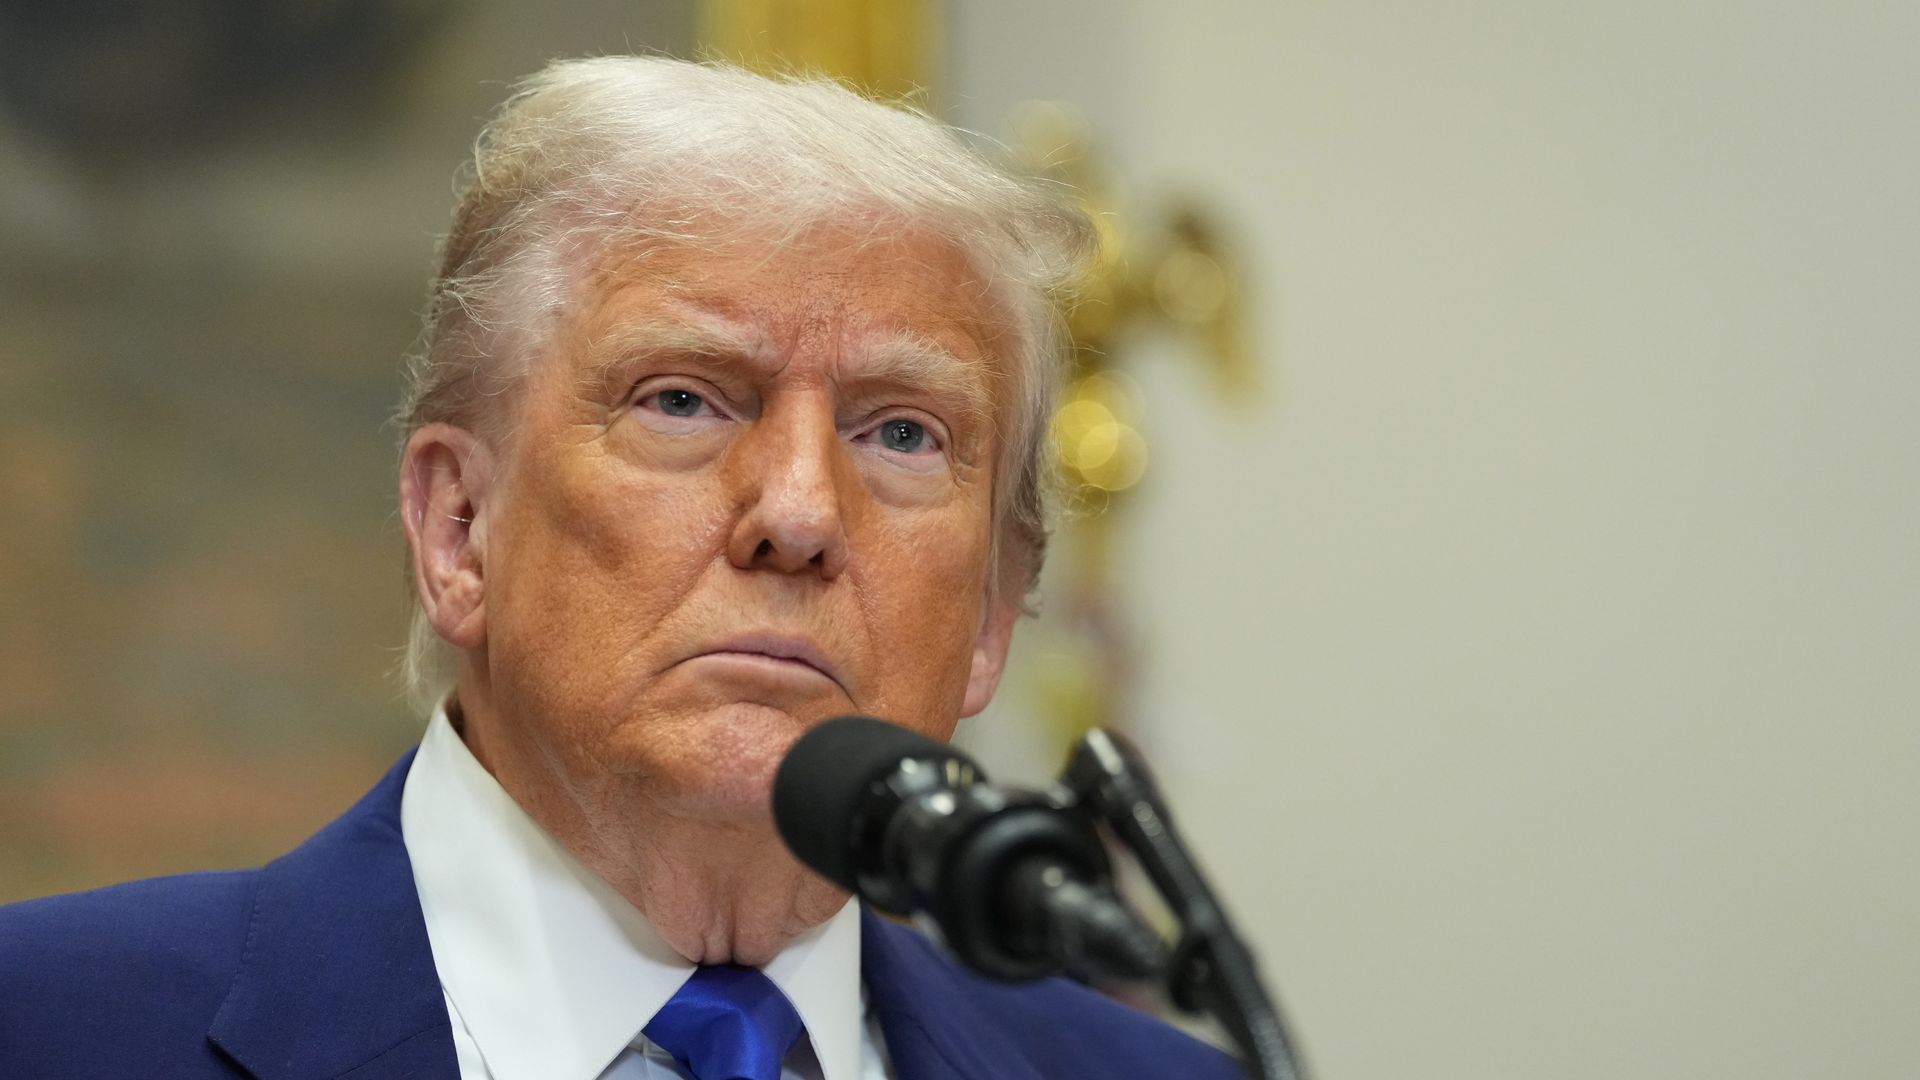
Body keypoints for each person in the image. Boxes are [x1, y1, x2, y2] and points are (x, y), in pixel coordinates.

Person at [0, 57, 1242, 1080]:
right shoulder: (49, 1029)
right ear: (457, 528)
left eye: (903, 433)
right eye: (686, 401)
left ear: (990, 611)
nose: (801, 511)